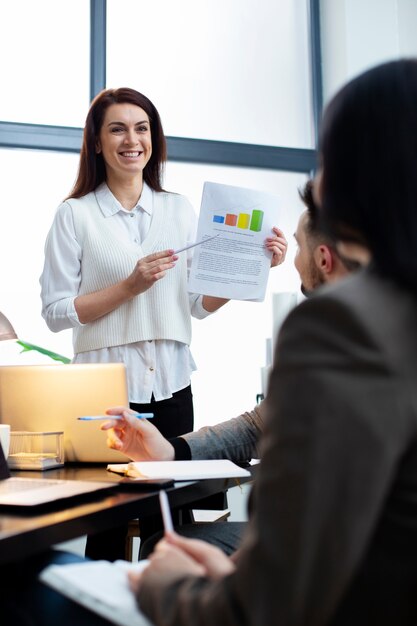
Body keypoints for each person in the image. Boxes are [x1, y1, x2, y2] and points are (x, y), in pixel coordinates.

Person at [123, 59, 417, 625]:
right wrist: (176, 450)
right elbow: (267, 422)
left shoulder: (344, 325)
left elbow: (262, 608)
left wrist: (168, 586)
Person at [39, 87, 287, 558]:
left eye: (142, 128)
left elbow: (195, 304)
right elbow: (55, 313)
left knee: (173, 519)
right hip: (104, 392)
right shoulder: (74, 215)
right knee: (107, 522)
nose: (132, 139)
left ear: (153, 138)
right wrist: (129, 286)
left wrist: (257, 267)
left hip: (172, 386)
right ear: (96, 142)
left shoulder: (178, 210)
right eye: (117, 128)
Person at [102, 177, 360, 558]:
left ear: (323, 260)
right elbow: (259, 424)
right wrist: (170, 450)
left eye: (297, 247)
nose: (291, 258)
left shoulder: (331, 337)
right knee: (174, 543)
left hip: (338, 538)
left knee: (167, 550)